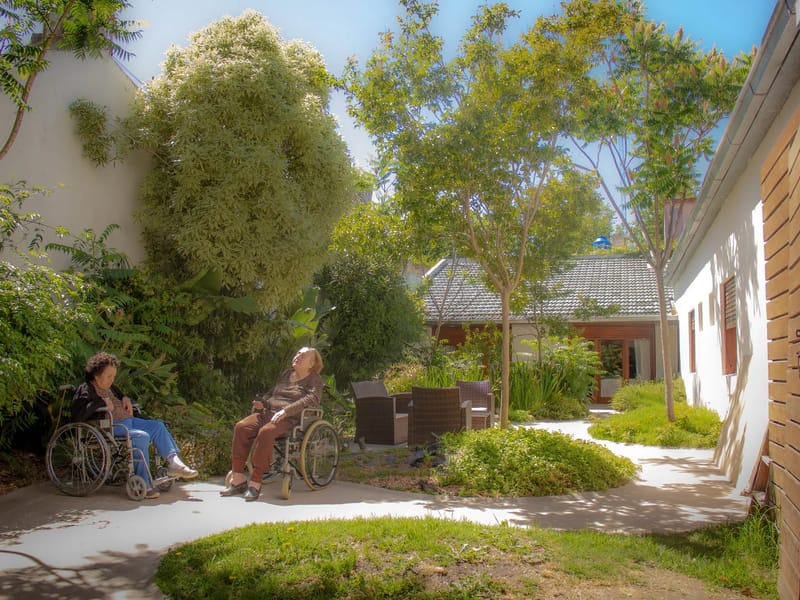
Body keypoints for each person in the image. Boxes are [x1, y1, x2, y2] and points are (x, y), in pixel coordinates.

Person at [72, 351, 198, 499]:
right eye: (108, 376)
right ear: (96, 374)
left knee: (157, 426)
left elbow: (121, 396)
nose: (112, 380)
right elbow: (78, 414)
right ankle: (144, 482)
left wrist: (125, 398)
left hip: (130, 421)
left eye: (114, 376)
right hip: (112, 427)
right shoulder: (86, 389)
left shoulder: (110, 388)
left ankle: (174, 463)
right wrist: (100, 403)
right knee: (141, 436)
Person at [221, 347, 324, 501]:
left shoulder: (314, 379)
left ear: (312, 363)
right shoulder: (286, 374)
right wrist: (263, 402)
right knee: (241, 427)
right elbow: (272, 393)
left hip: (289, 418)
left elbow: (312, 399)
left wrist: (286, 411)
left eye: (303, 356)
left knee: (266, 432)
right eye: (297, 353)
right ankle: (238, 479)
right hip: (268, 412)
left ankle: (255, 481)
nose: (297, 356)